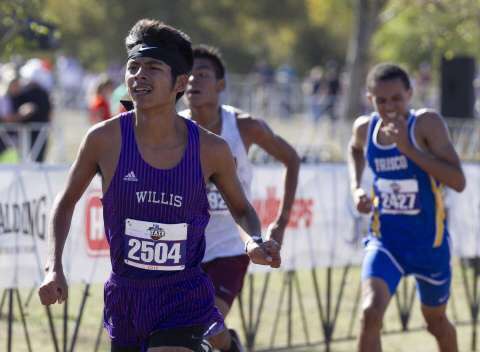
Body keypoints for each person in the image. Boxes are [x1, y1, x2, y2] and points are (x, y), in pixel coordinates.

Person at [38, 19, 281, 352]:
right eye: (133, 67)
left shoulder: (211, 149)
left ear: (179, 82)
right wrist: (54, 268)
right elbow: (64, 202)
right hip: (127, 297)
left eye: (153, 67)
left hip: (183, 295)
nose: (140, 75)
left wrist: (253, 241)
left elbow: (241, 209)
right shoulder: (102, 140)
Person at [181, 45, 300, 352]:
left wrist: (280, 223)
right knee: (199, 330)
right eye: (189, 74)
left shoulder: (244, 127)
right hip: (183, 248)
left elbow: (291, 159)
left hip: (232, 246)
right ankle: (231, 346)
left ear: (220, 85)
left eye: (203, 74)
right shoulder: (171, 127)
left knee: (204, 326)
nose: (194, 80)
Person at [348, 63, 465, 352]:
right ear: (370, 98)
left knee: (435, 323)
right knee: (369, 313)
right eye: (381, 100)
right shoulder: (365, 127)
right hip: (386, 242)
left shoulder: (426, 124)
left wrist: (409, 150)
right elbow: (354, 149)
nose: (389, 107)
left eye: (396, 98)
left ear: (410, 94)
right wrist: (356, 188)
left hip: (429, 245)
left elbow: (458, 181)